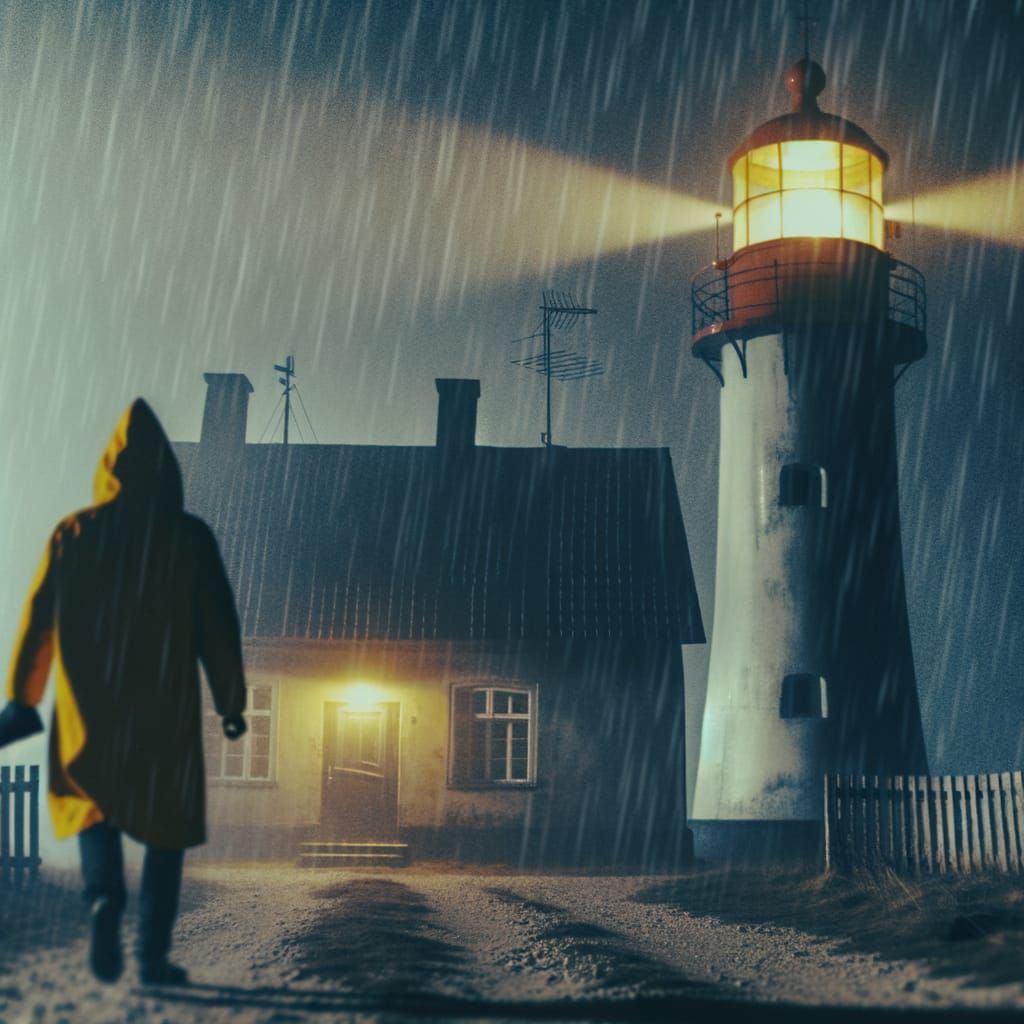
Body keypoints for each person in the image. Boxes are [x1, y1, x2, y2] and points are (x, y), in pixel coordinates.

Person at [3, 398, 247, 986]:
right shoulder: (188, 538)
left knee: (93, 807)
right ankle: (151, 958)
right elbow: (218, 626)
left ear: (110, 467)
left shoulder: (76, 532)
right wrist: (231, 702)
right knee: (167, 832)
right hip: (163, 708)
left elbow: (40, 621)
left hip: (91, 705)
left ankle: (102, 898)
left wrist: (23, 697)